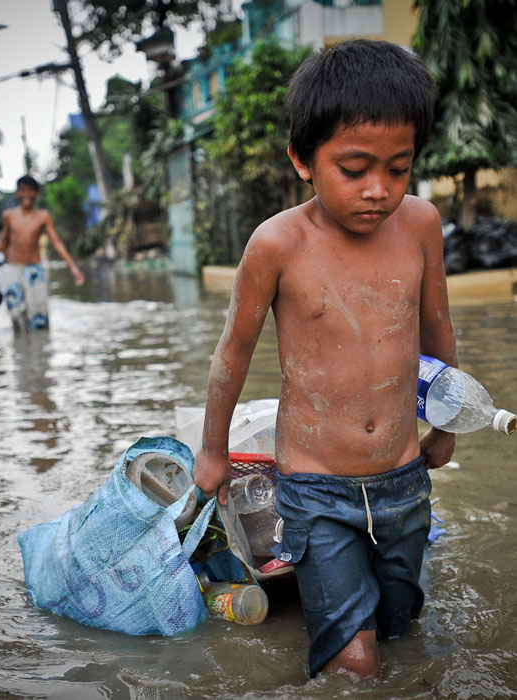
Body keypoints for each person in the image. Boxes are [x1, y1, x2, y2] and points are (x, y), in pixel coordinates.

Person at [193, 39, 457, 682]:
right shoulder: (277, 244)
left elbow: (437, 330)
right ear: (303, 160)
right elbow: (233, 353)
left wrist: (445, 423)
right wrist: (213, 451)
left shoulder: (420, 225)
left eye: (398, 168)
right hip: (315, 488)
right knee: (357, 663)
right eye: (355, 168)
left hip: (402, 479)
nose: (379, 190)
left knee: (403, 633)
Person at [0, 175, 85, 331]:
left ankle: (40, 351)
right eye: (22, 190)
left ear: (36, 193)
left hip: (34, 269)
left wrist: (73, 267)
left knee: (38, 315)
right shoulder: (9, 215)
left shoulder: (43, 216)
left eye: (30, 190)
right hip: (13, 269)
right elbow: (4, 242)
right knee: (15, 313)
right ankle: (21, 350)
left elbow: (56, 242)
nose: (26, 194)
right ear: (17, 193)